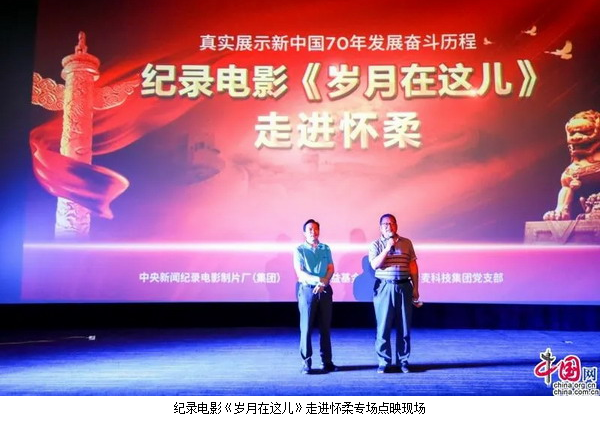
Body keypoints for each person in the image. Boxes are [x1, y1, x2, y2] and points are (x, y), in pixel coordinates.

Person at [368, 213, 419, 373]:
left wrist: (416, 288)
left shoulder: (407, 243)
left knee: (404, 326)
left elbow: (413, 266)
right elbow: (375, 265)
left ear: (396, 225)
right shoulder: (375, 244)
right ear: (380, 228)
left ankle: (403, 360)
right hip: (384, 287)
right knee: (383, 326)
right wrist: (387, 248)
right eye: (385, 224)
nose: (389, 226)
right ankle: (384, 361)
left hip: (404, 286)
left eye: (392, 223)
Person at [293, 219, 336, 374]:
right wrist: (319, 280)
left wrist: (324, 282)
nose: (313, 232)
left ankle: (327, 361)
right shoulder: (299, 250)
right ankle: (306, 362)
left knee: (325, 327)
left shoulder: (325, 248)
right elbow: (300, 273)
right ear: (304, 233)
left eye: (316, 229)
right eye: (310, 229)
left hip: (324, 290)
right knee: (306, 327)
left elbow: (331, 268)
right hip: (307, 290)